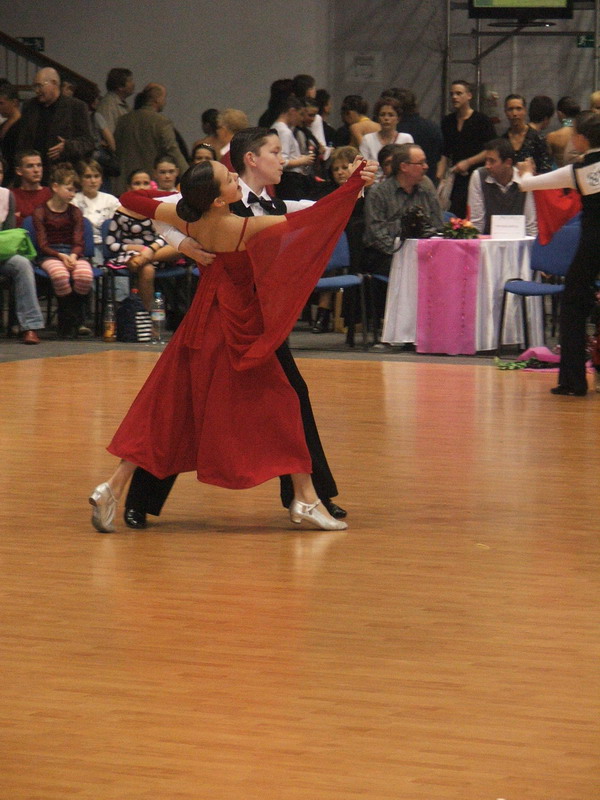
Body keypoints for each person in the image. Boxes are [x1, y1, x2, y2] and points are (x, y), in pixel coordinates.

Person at [88, 151, 376, 534]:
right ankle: (306, 500)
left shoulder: (187, 216)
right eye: (228, 178)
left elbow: (130, 199)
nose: (235, 178)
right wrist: (354, 183)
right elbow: (314, 218)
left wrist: (182, 233)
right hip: (237, 328)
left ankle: (113, 487)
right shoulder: (239, 227)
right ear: (218, 199)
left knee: (167, 410)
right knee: (283, 405)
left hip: (200, 322)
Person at [517, 111, 600, 396]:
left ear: (581, 139)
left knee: (574, 307)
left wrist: (525, 170)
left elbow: (526, 185)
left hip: (593, 246)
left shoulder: (578, 170)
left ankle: (573, 382)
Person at [364, 143, 443, 336]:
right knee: (410, 268)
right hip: (385, 254)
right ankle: (405, 330)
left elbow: (438, 225)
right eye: (420, 163)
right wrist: (401, 254)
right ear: (404, 167)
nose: (426, 167)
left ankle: (436, 327)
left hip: (420, 252)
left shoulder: (426, 190)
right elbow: (376, 233)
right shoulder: (379, 193)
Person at [103, 169, 180, 310]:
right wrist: (134, 248)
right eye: (137, 183)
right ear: (129, 188)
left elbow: (164, 235)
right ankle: (149, 313)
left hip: (155, 251)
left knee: (176, 250)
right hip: (130, 253)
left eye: (145, 183)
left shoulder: (156, 208)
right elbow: (111, 244)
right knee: (147, 269)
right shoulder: (121, 211)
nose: (142, 187)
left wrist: (150, 249)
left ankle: (151, 312)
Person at [32, 162, 93, 337]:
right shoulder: (41, 211)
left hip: (73, 253)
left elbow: (79, 240)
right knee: (60, 275)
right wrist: (61, 256)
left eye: (75, 190)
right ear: (55, 187)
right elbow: (42, 244)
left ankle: (72, 319)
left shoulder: (75, 212)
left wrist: (73, 255)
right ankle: (69, 322)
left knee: (84, 275)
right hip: (50, 254)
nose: (72, 194)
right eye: (69, 189)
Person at [16, 68, 94, 182]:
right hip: (33, 175)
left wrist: (68, 146)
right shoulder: (29, 106)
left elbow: (88, 142)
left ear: (54, 83)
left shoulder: (76, 107)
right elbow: (22, 141)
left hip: (64, 175)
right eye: (35, 87)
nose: (37, 91)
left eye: (39, 86)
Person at [0, 157, 45, 343]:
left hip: (1, 252)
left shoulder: (6, 195)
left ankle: (30, 326)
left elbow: (10, 234)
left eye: (0, 172)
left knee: (22, 264)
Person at [113, 84, 188, 194]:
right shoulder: (161, 122)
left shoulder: (123, 120)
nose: (165, 102)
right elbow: (172, 150)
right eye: (164, 98)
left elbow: (116, 148)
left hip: (123, 182)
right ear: (157, 100)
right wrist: (189, 176)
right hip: (150, 183)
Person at [437, 80, 496, 217]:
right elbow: (445, 151)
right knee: (454, 213)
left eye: (459, 93)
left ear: (469, 95)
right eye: (452, 94)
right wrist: (440, 175)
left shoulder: (482, 120)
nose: (454, 97)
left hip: (478, 174)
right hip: (456, 177)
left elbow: (490, 149)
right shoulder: (447, 121)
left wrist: (468, 162)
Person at [467, 137, 537, 236]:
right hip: (488, 240)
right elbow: (476, 223)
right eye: (486, 160)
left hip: (518, 241)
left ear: (508, 162)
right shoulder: (479, 176)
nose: (487, 165)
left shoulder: (524, 179)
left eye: (492, 161)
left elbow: (530, 226)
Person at [387, 87, 444, 185]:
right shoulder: (432, 127)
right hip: (428, 181)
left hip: (399, 184)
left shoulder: (393, 131)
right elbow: (439, 157)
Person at [72, 159, 119, 265]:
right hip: (82, 246)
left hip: (107, 245)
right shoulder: (73, 201)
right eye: (88, 177)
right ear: (79, 179)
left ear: (102, 179)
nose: (93, 181)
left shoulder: (111, 201)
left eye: (96, 176)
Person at [271, 96, 315, 200]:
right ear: (292, 111)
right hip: (290, 180)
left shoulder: (276, 128)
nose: (302, 118)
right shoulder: (285, 132)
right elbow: (282, 161)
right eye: (301, 114)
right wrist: (303, 160)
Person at [359, 97, 413, 178]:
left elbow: (410, 166)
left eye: (391, 115)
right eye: (382, 115)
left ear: (398, 118)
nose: (386, 118)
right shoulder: (367, 139)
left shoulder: (406, 139)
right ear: (378, 118)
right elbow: (362, 168)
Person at [501, 93, 552, 174]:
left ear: (525, 111)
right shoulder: (503, 141)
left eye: (518, 109)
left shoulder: (538, 138)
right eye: (510, 109)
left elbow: (546, 170)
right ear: (505, 112)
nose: (514, 113)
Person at [11, 149, 52, 224]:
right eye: (30, 166)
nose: (36, 170)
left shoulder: (52, 193)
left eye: (39, 165)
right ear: (19, 171)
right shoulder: (11, 195)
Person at [546, 96, 581, 168]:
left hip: (560, 173)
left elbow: (547, 162)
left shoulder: (552, 136)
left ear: (560, 114)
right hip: (581, 172)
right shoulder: (585, 134)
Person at [97, 68, 135, 134]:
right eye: (130, 81)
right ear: (120, 87)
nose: (133, 84)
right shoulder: (108, 105)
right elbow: (108, 133)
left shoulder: (121, 104)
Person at [0, 81, 22, 187]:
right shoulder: (2, 125)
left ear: (14, 102)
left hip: (16, 176)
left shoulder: (24, 125)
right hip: (4, 173)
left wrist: (15, 180)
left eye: (1, 103)